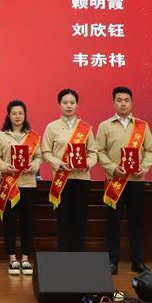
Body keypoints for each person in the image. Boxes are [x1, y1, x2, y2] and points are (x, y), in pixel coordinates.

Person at [95, 86, 152, 275]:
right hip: (114, 181)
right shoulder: (105, 126)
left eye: (126, 100)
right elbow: (98, 151)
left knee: (137, 222)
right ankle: (112, 262)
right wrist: (113, 168)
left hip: (136, 181)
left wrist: (143, 167)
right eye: (119, 100)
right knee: (113, 223)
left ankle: (138, 262)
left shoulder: (142, 126)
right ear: (113, 103)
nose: (123, 104)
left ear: (132, 103)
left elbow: (150, 151)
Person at [40, 88, 98, 253]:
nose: (69, 106)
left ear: (77, 105)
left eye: (72, 102)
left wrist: (87, 163)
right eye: (65, 102)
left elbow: (93, 152)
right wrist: (59, 163)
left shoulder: (85, 128)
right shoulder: (52, 127)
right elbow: (45, 152)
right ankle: (64, 255)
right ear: (59, 105)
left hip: (81, 179)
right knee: (63, 219)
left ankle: (78, 254)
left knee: (80, 218)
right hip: (61, 179)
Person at [0, 100, 42, 275]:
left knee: (28, 223)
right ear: (9, 115)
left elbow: (39, 157)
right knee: (10, 223)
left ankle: (26, 259)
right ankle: (12, 259)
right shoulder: (1, 136)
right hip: (9, 185)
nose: (18, 116)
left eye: (21, 113)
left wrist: (33, 166)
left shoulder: (33, 136)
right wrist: (6, 167)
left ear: (25, 115)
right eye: (14, 113)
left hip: (28, 184)